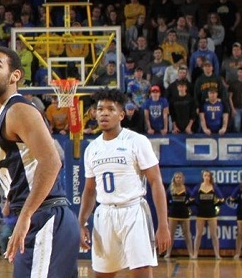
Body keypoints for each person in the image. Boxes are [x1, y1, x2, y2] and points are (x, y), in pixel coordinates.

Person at [0, 46, 78, 277]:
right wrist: (11, 199)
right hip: (44, 215)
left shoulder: (18, 110)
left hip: (45, 216)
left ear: (15, 76)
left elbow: (52, 162)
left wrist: (25, 215)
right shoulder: (3, 114)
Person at [78, 89, 171, 278]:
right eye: (100, 109)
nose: (104, 113)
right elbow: (89, 190)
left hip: (133, 211)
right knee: (102, 274)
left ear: (121, 115)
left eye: (110, 109)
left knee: (141, 271)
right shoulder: (92, 148)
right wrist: (80, 223)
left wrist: (163, 225)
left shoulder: (137, 141)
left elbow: (156, 182)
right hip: (104, 214)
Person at [191, 170, 221, 260]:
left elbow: (221, 198)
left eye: (208, 176)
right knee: (198, 234)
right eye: (205, 175)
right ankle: (195, 254)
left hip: (211, 213)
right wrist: (197, 205)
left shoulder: (214, 187)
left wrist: (215, 205)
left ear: (210, 177)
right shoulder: (198, 187)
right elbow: (191, 198)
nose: (207, 177)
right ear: (202, 177)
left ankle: (217, 254)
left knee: (214, 235)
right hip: (201, 213)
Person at [164, 172, 193, 259]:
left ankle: (191, 253)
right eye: (177, 177)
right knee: (171, 234)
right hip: (173, 214)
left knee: (187, 234)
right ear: (174, 179)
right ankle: (168, 253)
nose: (178, 179)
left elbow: (192, 198)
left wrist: (189, 203)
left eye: (180, 177)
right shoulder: (170, 189)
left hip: (184, 214)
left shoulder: (186, 189)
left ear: (183, 179)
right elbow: (165, 200)